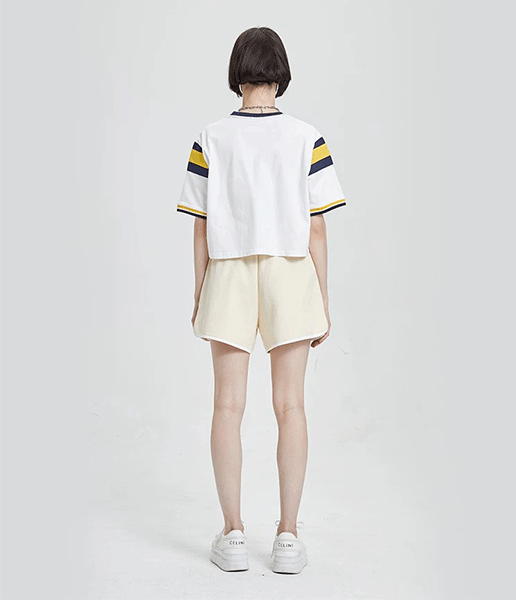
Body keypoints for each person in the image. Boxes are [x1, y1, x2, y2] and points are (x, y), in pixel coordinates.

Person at [177, 26, 346, 574]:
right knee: (290, 405)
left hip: (228, 267)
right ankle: (288, 537)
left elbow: (200, 225)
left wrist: (200, 287)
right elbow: (316, 225)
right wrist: (323, 295)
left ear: (237, 71)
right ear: (281, 72)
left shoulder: (210, 137)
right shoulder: (306, 136)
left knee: (227, 406)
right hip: (290, 268)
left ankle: (232, 535)